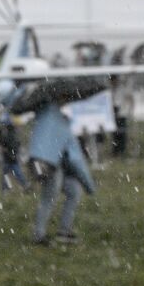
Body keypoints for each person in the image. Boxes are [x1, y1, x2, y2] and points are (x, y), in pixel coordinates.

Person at [27, 102, 95, 245]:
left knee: (73, 191)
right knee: (49, 198)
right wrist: (89, 186)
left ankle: (63, 230)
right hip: (51, 165)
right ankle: (39, 235)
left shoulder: (45, 118)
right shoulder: (66, 129)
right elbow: (76, 161)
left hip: (37, 162)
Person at [0, 115, 28, 191]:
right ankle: (23, 185)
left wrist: (5, 149)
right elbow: (16, 144)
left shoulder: (7, 135)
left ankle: (9, 188)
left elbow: (6, 144)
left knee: (10, 172)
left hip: (9, 157)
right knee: (12, 172)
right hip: (12, 156)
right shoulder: (12, 134)